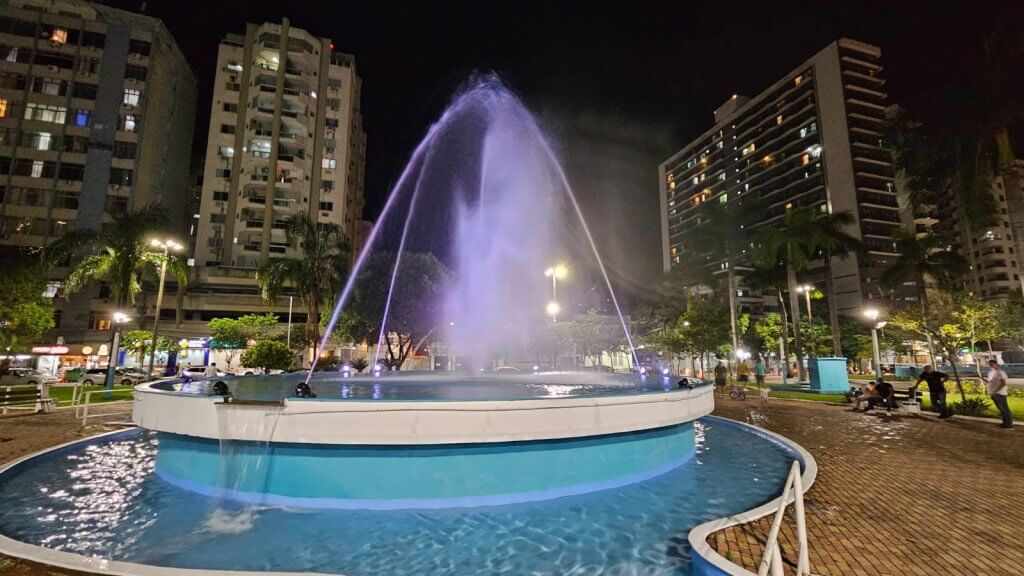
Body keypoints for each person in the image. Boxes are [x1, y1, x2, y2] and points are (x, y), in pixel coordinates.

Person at [987, 359, 1013, 429]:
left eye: (992, 364)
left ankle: (1009, 425)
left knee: (1004, 409)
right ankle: (1005, 423)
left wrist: (995, 392)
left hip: (1000, 393)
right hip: (993, 394)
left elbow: (1003, 383)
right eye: (989, 364)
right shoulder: (991, 372)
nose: (990, 365)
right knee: (1001, 409)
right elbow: (990, 382)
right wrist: (982, 378)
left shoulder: (1000, 372)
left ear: (996, 364)